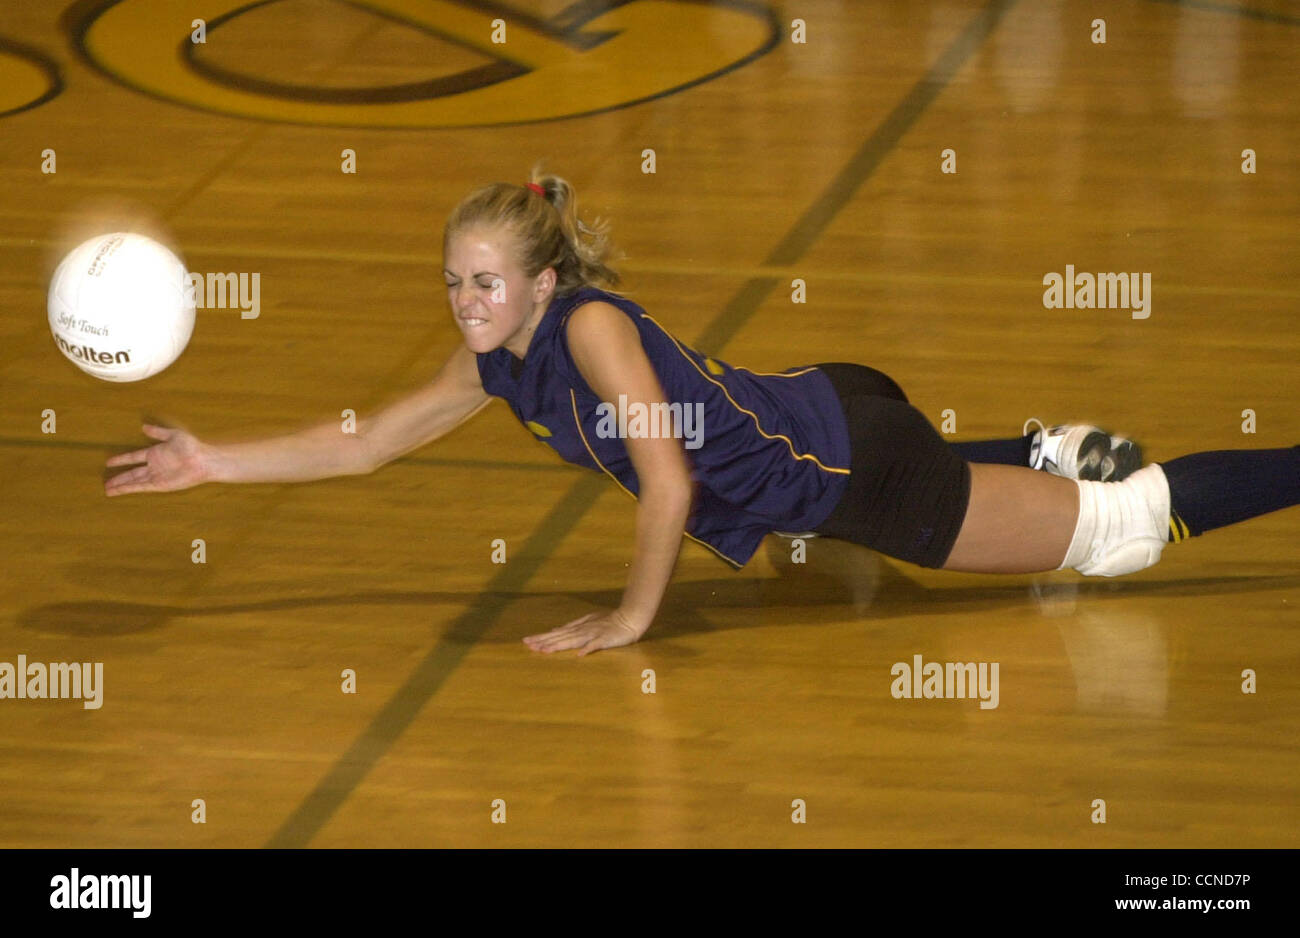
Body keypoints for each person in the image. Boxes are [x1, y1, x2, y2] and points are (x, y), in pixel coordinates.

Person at [103, 170, 1300, 656]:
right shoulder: (502, 362)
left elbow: (668, 482)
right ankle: (1035, 446)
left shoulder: (586, 328)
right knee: (800, 545)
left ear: (539, 279)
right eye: (453, 280)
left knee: (1125, 532)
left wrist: (632, 617)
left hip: (859, 471)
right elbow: (364, 442)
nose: (466, 300)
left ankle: (1093, 470)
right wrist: (213, 460)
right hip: (829, 408)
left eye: (485, 281)